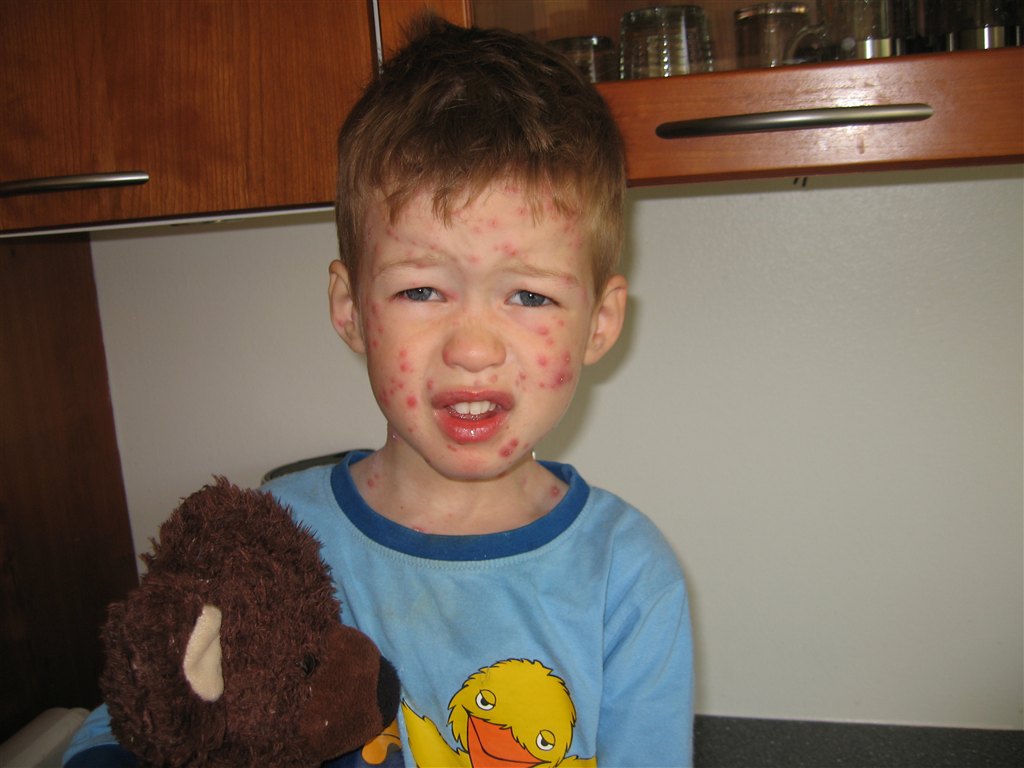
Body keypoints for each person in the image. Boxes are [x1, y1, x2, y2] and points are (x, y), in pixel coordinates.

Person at [64, 16, 693, 768]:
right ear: (350, 309)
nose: (472, 348)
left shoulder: (627, 576)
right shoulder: (268, 542)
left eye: (529, 296)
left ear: (601, 323)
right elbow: (135, 725)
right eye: (421, 290)